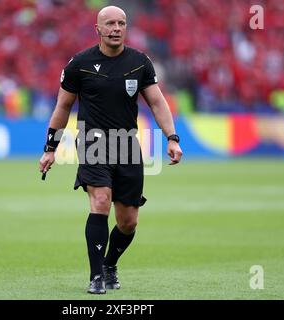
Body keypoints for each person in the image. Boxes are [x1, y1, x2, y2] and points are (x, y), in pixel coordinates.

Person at [39, 6, 183, 294]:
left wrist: (172, 137)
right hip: (93, 142)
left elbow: (157, 102)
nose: (116, 28)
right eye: (110, 24)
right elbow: (63, 107)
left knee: (128, 222)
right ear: (98, 29)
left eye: (121, 23)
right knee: (100, 201)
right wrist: (50, 148)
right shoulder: (79, 64)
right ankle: (95, 277)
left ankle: (110, 263)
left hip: (128, 145)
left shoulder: (140, 62)